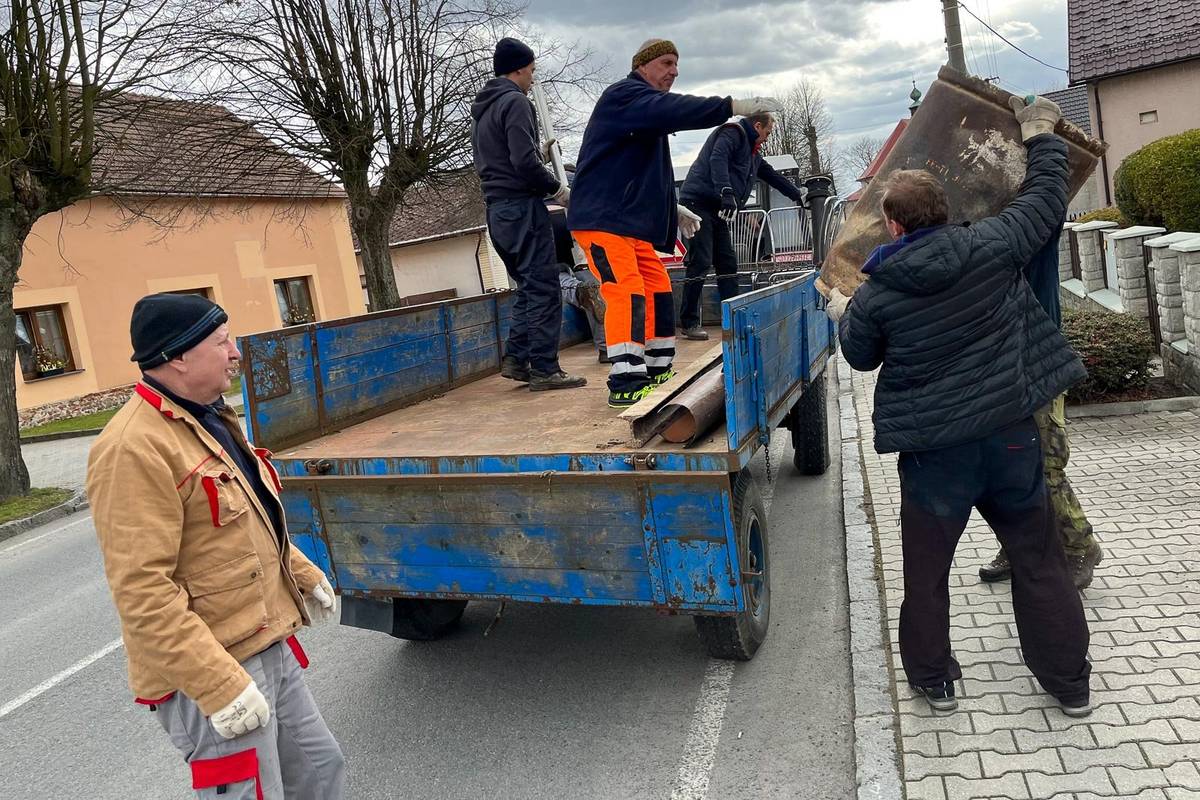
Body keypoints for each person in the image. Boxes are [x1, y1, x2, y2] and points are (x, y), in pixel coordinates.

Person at [829, 96, 1093, 717]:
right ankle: (1069, 684)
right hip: (1009, 441)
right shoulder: (994, 244)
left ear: (893, 226)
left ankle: (935, 682)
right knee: (1039, 557)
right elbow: (1044, 200)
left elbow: (860, 358)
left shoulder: (878, 294)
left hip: (934, 460)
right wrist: (1041, 137)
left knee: (926, 574)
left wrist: (844, 314)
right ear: (945, 213)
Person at [87, 293, 345, 799]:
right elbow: (142, 593)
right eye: (222, 342)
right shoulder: (131, 449)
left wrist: (301, 573)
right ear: (178, 356)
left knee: (319, 770)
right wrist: (218, 685)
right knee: (253, 792)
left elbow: (243, 522)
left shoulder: (208, 417)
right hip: (214, 663)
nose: (235, 354)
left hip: (264, 637)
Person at [567, 37, 779, 407]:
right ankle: (625, 377)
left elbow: (654, 175)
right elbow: (677, 110)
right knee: (626, 289)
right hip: (601, 218)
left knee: (658, 284)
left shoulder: (644, 115)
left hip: (626, 223)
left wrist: (674, 210)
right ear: (642, 65)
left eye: (676, 65)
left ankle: (656, 365)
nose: (674, 72)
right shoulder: (625, 96)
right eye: (666, 63)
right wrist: (731, 106)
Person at [978, 231, 1104, 588]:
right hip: (999, 372)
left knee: (1047, 468)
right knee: (1003, 470)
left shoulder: (1036, 238)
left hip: (1039, 368)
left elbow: (1050, 206)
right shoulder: (989, 242)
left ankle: (1080, 546)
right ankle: (1016, 546)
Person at [471, 37, 586, 391]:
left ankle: (518, 361)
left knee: (526, 285)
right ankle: (545, 368)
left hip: (497, 213)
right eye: (532, 71)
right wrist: (556, 189)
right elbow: (522, 162)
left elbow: (506, 157)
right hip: (522, 208)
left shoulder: (484, 110)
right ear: (519, 68)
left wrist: (535, 153)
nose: (533, 79)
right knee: (545, 287)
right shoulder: (516, 103)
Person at [676, 112, 807, 339]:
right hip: (698, 202)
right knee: (702, 260)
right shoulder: (731, 133)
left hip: (718, 207)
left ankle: (734, 318)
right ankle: (689, 322)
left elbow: (772, 177)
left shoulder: (753, 155)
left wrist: (799, 195)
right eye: (767, 132)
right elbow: (718, 159)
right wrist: (726, 191)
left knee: (728, 262)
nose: (767, 138)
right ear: (757, 126)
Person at [548, 192, 608, 361]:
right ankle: (606, 347)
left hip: (546, 223)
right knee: (591, 282)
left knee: (555, 278)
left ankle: (577, 291)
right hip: (575, 224)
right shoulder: (579, 188)